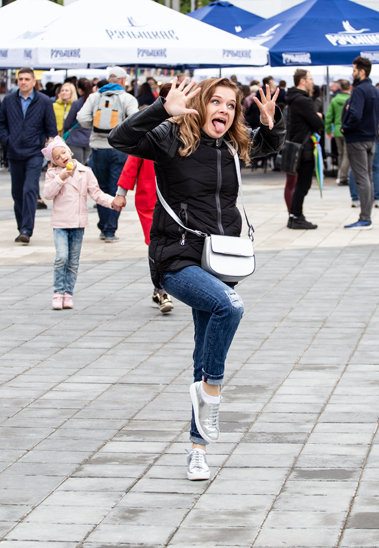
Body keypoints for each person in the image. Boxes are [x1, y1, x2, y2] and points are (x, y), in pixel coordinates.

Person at [109, 76, 282, 480]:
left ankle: (197, 450)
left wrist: (273, 124)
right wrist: (159, 110)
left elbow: (269, 146)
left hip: (218, 260)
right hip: (176, 259)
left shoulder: (230, 146)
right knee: (229, 306)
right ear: (200, 104)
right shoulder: (171, 138)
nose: (223, 110)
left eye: (231, 105)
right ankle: (213, 392)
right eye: (216, 102)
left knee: (201, 357)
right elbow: (120, 138)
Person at [40, 137, 121, 310]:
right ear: (54, 161)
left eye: (63, 152)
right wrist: (61, 177)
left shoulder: (85, 171)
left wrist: (112, 201)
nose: (62, 157)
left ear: (69, 151)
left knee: (73, 261)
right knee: (62, 257)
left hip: (78, 223)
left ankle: (68, 293)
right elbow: (47, 194)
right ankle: (58, 292)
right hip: (60, 223)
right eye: (57, 156)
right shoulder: (53, 174)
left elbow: (96, 193)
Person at [0, 67, 59, 244]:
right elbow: (0, 123)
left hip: (34, 152)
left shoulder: (44, 101)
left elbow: (51, 129)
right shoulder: (9, 100)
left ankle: (26, 229)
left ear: (33, 81)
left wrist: (51, 152)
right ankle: (21, 225)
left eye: (27, 79)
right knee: (17, 192)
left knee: (30, 189)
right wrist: (8, 140)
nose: (23, 82)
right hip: (14, 152)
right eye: (20, 79)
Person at [77, 66, 139, 243]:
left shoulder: (95, 97)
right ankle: (110, 230)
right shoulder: (127, 98)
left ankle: (103, 226)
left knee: (100, 189)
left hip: (97, 148)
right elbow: (135, 121)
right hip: (119, 150)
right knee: (115, 190)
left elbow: (82, 118)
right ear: (122, 81)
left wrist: (94, 126)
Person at [115, 154, 174, 313]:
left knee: (169, 243)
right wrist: (121, 192)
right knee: (156, 243)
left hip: (174, 198)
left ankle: (159, 289)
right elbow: (132, 163)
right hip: (149, 198)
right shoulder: (145, 133)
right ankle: (161, 289)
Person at [341, 56, 379, 229]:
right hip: (371, 138)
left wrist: (345, 127)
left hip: (357, 138)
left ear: (362, 71)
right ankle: (366, 216)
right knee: (369, 177)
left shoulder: (359, 90)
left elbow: (355, 115)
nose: (352, 73)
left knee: (362, 178)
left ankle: (365, 218)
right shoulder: (375, 91)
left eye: (354, 70)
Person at [285, 69, 323, 230]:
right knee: (303, 183)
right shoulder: (303, 101)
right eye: (310, 79)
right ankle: (296, 216)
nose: (312, 82)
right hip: (304, 147)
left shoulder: (294, 99)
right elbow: (317, 124)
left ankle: (295, 216)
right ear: (302, 81)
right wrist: (319, 116)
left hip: (297, 145)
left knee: (299, 183)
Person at [63, 78, 94, 165]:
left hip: (75, 139)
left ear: (79, 90)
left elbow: (68, 122)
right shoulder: (94, 102)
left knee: (77, 166)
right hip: (89, 138)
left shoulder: (77, 103)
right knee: (85, 166)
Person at [326, 80, 351, 185]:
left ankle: (340, 174)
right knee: (347, 154)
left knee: (340, 154)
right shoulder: (351, 99)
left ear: (340, 88)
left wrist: (328, 130)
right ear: (349, 87)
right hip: (348, 130)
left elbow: (328, 117)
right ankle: (343, 175)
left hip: (337, 130)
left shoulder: (335, 100)